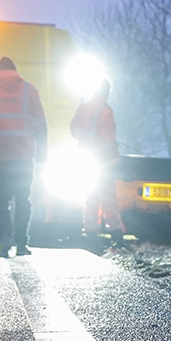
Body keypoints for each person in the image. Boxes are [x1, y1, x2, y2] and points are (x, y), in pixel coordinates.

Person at [0, 55, 48, 258]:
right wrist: (42, 153)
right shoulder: (29, 90)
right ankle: (22, 243)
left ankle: (4, 242)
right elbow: (41, 124)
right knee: (23, 200)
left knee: (1, 201)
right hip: (23, 156)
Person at [69, 78, 124, 244]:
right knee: (107, 196)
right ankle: (116, 234)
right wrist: (115, 156)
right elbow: (108, 140)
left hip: (84, 157)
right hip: (101, 160)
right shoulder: (105, 111)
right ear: (107, 91)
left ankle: (91, 232)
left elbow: (73, 130)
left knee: (91, 196)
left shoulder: (83, 107)